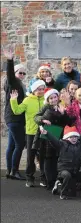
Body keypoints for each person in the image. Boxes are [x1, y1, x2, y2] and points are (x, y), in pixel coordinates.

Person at [39, 119, 81, 200]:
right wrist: (46, 133)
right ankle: (63, 194)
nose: (74, 139)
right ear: (67, 138)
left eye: (75, 137)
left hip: (74, 170)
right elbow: (53, 139)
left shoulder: (79, 143)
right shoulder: (62, 144)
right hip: (63, 169)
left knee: (73, 194)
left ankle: (58, 184)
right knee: (67, 176)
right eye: (71, 137)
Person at [10, 80, 46, 187]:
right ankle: (30, 178)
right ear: (34, 90)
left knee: (43, 155)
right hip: (31, 132)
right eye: (38, 89)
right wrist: (13, 100)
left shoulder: (46, 100)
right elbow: (17, 111)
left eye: (42, 89)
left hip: (44, 132)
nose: (41, 91)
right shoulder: (27, 100)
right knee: (31, 156)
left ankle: (44, 178)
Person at [3, 45, 26, 180]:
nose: (22, 75)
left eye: (24, 73)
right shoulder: (13, 82)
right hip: (14, 117)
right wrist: (10, 60)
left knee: (12, 144)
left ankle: (9, 170)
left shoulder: (19, 84)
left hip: (13, 118)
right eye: (20, 72)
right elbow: (10, 75)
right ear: (15, 73)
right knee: (20, 144)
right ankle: (14, 171)